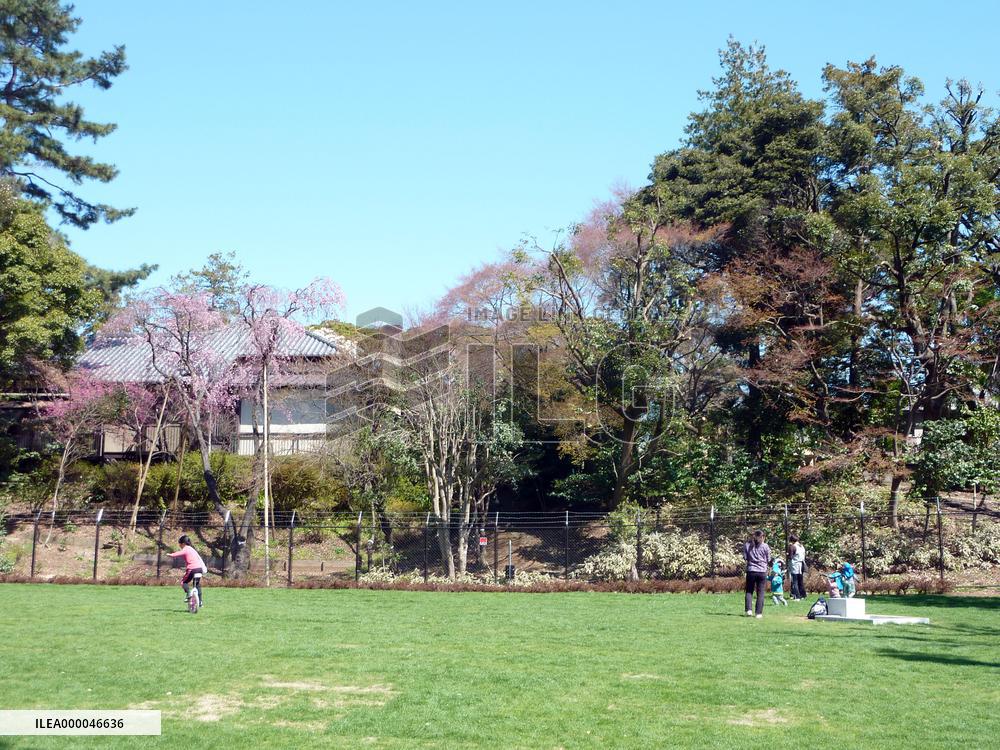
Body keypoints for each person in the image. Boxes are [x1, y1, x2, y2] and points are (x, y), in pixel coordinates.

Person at [169, 535, 207, 607]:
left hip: (192, 569)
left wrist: (171, 555)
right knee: (197, 584)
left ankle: (189, 593)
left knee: (184, 582)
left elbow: (178, 553)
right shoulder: (192, 549)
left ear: (183, 543)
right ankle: (200, 602)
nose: (179, 545)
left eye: (180, 544)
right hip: (199, 568)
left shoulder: (186, 549)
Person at [742, 530, 772, 618]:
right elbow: (769, 559)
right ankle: (758, 613)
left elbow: (745, 557)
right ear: (762, 537)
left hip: (751, 570)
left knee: (749, 591)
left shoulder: (747, 545)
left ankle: (748, 610)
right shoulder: (765, 546)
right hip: (762, 571)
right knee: (761, 592)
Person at [788, 534, 806, 600]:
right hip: (801, 564)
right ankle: (803, 595)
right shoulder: (801, 546)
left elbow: (790, 557)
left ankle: (797, 596)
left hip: (795, 564)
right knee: (800, 580)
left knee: (794, 581)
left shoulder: (793, 546)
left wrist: (787, 554)